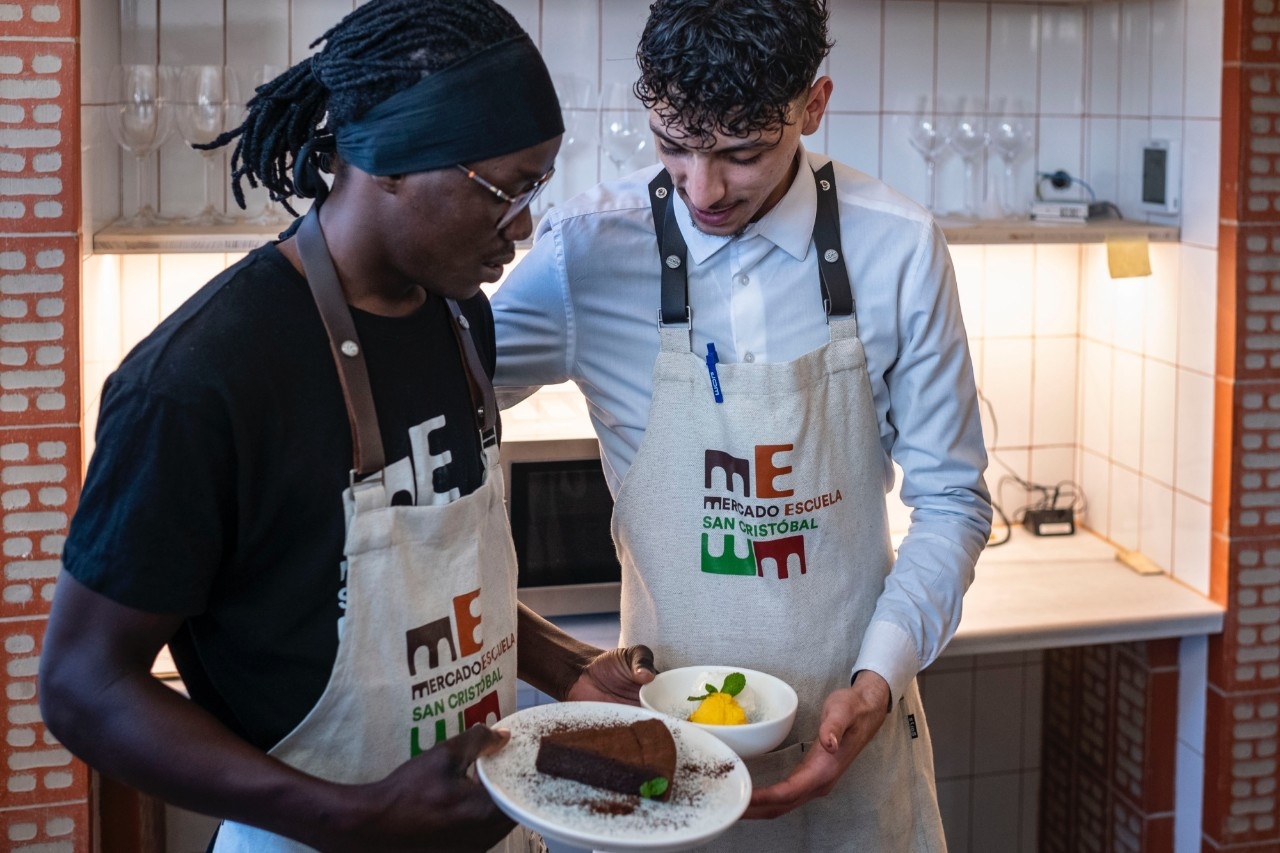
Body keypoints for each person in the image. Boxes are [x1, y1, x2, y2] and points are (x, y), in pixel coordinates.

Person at [38, 2, 653, 851]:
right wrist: (354, 815)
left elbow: (413, 583)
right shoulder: (199, 379)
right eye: (505, 189)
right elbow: (81, 684)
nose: (525, 224)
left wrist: (562, 661)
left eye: (536, 187)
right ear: (392, 163)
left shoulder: (460, 319)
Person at [490, 0, 993, 849]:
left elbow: (953, 500)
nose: (703, 188)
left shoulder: (898, 248)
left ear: (814, 105)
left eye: (743, 152)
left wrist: (876, 682)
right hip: (664, 761)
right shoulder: (588, 253)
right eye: (673, 145)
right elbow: (435, 401)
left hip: (854, 753)